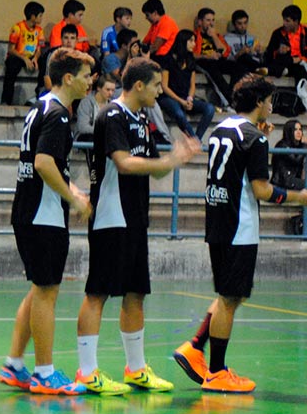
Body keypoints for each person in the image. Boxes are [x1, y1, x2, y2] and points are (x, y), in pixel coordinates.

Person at [75, 57, 201, 395]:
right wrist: (167, 160)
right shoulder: (111, 115)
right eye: (158, 85)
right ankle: (87, 372)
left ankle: (136, 369)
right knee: (98, 293)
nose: (162, 91)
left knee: (136, 293)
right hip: (111, 216)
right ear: (141, 85)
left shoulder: (142, 118)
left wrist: (176, 160)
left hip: (135, 218)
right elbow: (124, 162)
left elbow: (153, 169)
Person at [174, 75, 307, 393]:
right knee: (231, 298)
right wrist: (298, 196)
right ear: (260, 103)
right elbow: (261, 189)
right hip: (239, 225)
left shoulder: (224, 128)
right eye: (269, 100)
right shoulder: (256, 139)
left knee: (229, 295)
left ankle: (195, 347)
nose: (271, 106)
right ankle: (217, 372)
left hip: (217, 220)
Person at [0, 48, 94, 395]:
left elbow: (51, 165)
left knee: (39, 289)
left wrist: (74, 190)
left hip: (31, 209)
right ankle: (44, 372)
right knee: (47, 293)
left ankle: (15, 365)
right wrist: (75, 199)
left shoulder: (41, 107)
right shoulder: (58, 115)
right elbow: (43, 163)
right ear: (68, 78)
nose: (90, 81)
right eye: (86, 75)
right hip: (43, 214)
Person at [157, 30, 216, 141]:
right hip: (169, 97)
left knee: (210, 108)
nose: (194, 44)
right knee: (179, 114)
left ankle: (197, 138)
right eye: (191, 41)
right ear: (183, 42)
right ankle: (195, 141)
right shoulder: (168, 59)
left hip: (185, 97)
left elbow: (192, 85)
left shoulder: (190, 59)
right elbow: (164, 86)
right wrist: (181, 101)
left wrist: (189, 98)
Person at [1, 1, 45, 106]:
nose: (41, 18)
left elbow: (39, 49)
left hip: (32, 57)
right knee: (11, 66)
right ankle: (6, 100)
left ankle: (39, 95)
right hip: (18, 57)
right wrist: (24, 59)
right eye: (40, 16)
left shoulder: (39, 31)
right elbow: (11, 49)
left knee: (45, 64)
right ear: (33, 16)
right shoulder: (17, 28)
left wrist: (35, 58)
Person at [264, 4, 307, 80]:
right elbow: (268, 55)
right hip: (285, 62)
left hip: (302, 63)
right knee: (284, 59)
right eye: (283, 20)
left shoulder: (305, 32)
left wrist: (300, 59)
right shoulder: (277, 33)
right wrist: (278, 51)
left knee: (300, 69)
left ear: (296, 21)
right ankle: (284, 70)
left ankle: (274, 70)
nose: (284, 23)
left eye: (287, 21)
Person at [270, 119, 305, 190]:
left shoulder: (300, 145)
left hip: (294, 179)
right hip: (283, 181)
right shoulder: (282, 145)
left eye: (300, 129)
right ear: (289, 131)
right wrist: (305, 147)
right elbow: (295, 160)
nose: (299, 132)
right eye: (295, 130)